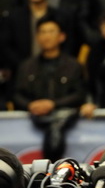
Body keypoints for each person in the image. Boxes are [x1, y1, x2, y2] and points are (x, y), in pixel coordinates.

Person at [13, 17, 85, 161]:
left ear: (61, 36)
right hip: (33, 118)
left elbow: (79, 94)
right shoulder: (27, 66)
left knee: (57, 127)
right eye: (42, 32)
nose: (46, 36)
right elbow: (16, 94)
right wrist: (30, 105)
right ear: (37, 37)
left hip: (65, 117)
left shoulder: (73, 65)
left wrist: (53, 104)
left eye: (51, 32)